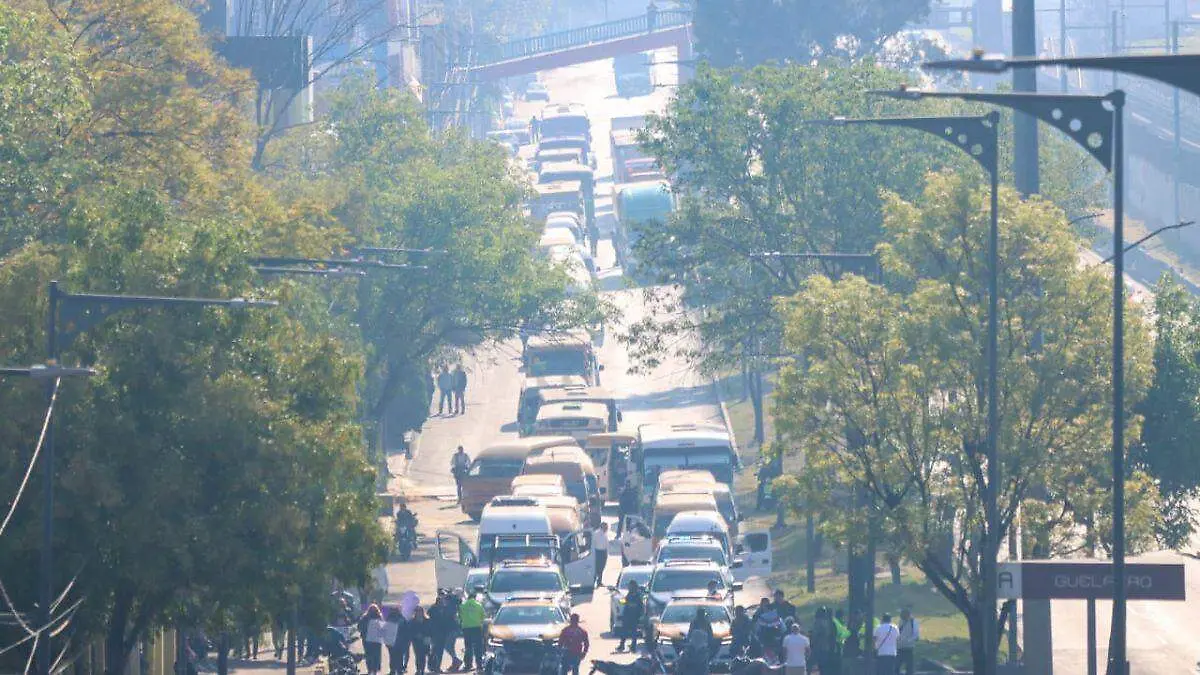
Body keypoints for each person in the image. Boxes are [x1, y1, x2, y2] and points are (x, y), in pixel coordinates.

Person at [616, 580, 644, 652]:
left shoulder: (638, 595)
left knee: (633, 633)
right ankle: (622, 646)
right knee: (624, 632)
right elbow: (625, 601)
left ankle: (633, 647)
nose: (629, 587)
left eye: (630, 586)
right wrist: (621, 601)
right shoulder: (630, 594)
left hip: (634, 617)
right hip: (627, 616)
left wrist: (639, 616)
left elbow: (641, 606)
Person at [359, 604, 385, 675]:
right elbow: (360, 627)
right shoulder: (365, 618)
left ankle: (375, 669)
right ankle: (370, 669)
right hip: (367, 639)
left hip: (376, 640)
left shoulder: (379, 617)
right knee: (369, 655)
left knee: (376, 655)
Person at [409, 607, 431, 675]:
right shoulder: (412, 621)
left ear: (422, 612)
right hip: (416, 641)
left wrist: (425, 635)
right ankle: (418, 669)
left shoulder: (427, 620)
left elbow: (430, 630)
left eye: (420, 611)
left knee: (424, 655)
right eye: (417, 611)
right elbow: (410, 631)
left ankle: (422, 670)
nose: (418, 613)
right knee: (418, 655)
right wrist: (415, 635)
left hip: (425, 640)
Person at [897, 608, 919, 675]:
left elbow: (915, 635)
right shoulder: (901, 621)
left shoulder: (913, 622)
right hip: (899, 647)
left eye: (902, 614)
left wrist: (908, 640)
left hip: (909, 648)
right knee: (896, 666)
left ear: (906, 614)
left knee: (909, 668)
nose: (900, 616)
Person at [593, 522, 609, 587]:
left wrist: (607, 554)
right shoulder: (596, 533)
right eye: (606, 527)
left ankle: (599, 582)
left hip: (603, 552)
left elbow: (606, 545)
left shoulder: (605, 535)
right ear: (602, 527)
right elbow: (593, 543)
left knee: (602, 567)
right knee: (596, 567)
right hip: (597, 552)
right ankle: (593, 581)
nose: (607, 529)